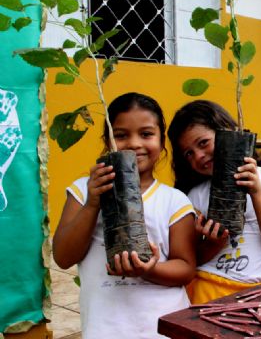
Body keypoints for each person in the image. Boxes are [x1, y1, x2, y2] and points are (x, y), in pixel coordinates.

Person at [53, 93, 196, 338]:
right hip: (106, 328)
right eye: (120, 135)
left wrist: (148, 270)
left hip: (164, 326)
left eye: (146, 134)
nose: (134, 143)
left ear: (162, 142)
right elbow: (63, 257)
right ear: (107, 141)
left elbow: (185, 269)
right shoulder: (83, 190)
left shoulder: (175, 201)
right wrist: (92, 203)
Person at [168, 100, 261, 304]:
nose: (199, 155)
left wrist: (257, 192)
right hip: (209, 287)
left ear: (228, 134)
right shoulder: (195, 196)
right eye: (189, 153)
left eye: (203, 143)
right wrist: (213, 243)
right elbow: (194, 258)